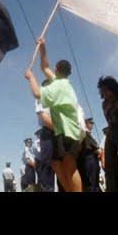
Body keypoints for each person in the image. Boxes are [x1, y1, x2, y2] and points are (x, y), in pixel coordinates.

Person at [24, 38, 84, 192]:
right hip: (62, 132)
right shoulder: (62, 82)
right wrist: (43, 47)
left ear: (57, 69)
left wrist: (31, 78)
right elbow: (44, 66)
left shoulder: (58, 86)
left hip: (68, 131)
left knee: (69, 166)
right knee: (56, 163)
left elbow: (37, 93)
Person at [34, 81, 56, 192]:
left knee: (60, 163)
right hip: (48, 132)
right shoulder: (40, 98)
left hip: (58, 132)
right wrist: (58, 128)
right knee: (47, 165)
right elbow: (44, 117)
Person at [79, 117, 101, 192]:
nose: (92, 125)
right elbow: (95, 148)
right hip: (89, 158)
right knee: (91, 182)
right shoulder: (85, 133)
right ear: (86, 124)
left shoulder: (88, 134)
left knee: (95, 182)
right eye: (90, 123)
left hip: (92, 159)